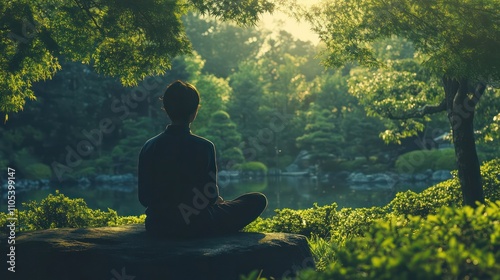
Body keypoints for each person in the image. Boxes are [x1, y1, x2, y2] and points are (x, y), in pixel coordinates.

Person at [138, 80, 267, 237]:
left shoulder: (149, 146)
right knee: (257, 200)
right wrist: (215, 202)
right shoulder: (204, 146)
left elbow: (144, 198)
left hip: (158, 225)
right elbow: (209, 196)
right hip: (198, 224)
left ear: (166, 110)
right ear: (194, 112)